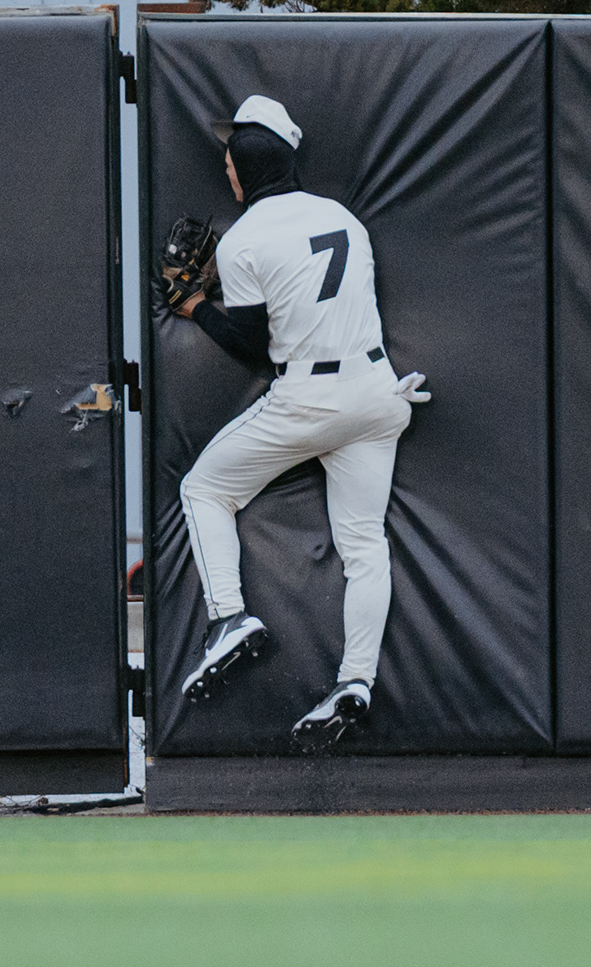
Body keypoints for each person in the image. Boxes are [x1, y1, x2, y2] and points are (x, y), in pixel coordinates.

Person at [158, 94, 430, 751]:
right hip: (377, 391)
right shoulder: (343, 217)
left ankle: (229, 618)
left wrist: (194, 305)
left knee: (205, 490)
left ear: (239, 170)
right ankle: (356, 682)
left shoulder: (247, 236)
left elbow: (252, 344)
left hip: (311, 399)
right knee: (364, 546)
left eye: (229, 160)